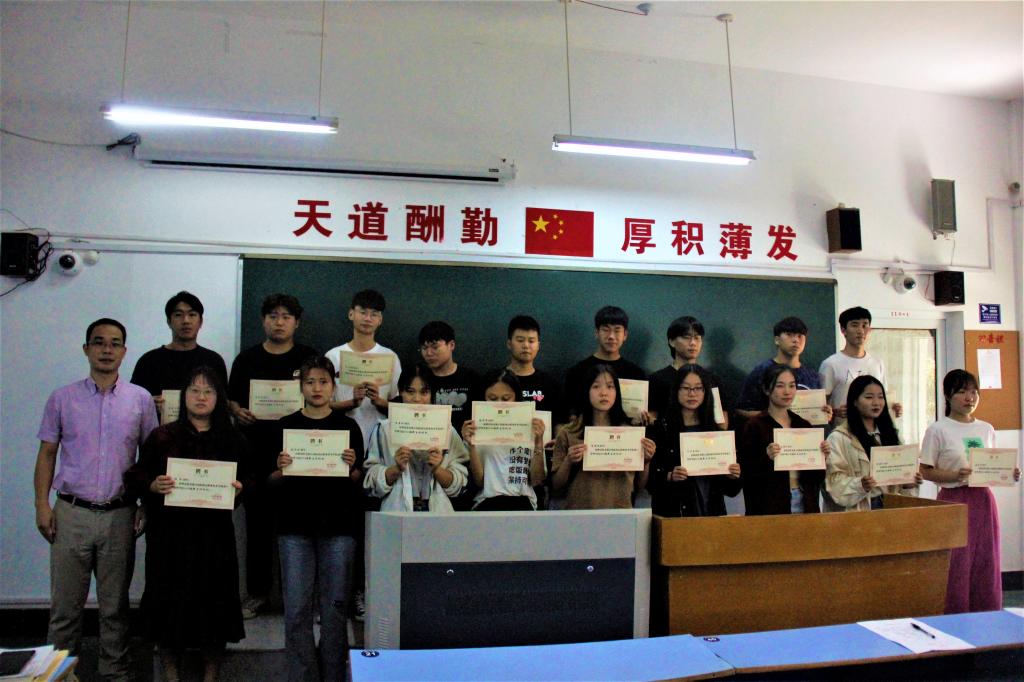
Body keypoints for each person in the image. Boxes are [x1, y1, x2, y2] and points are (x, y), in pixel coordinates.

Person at [33, 318, 158, 681]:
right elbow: (47, 454)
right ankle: (58, 675)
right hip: (71, 513)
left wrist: (145, 505)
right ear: (86, 349)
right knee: (65, 608)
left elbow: (150, 458)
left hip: (120, 514)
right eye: (99, 342)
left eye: (115, 343)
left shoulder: (140, 399)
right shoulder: (62, 398)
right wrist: (42, 505)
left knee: (114, 607)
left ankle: (114, 672)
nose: (107, 349)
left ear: (124, 351)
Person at [124, 366, 248, 682]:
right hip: (170, 537)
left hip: (214, 538)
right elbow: (135, 475)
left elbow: (250, 480)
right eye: (194, 390)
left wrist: (240, 489)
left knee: (215, 604)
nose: (201, 397)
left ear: (219, 398)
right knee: (168, 603)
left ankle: (211, 674)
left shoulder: (232, 438)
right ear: (184, 396)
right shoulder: (162, 436)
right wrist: (153, 485)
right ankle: (171, 674)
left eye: (209, 391)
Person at [272, 356, 364, 681]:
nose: (317, 388)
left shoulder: (349, 427)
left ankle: (334, 676)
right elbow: (269, 481)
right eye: (310, 382)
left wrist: (351, 468)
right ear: (301, 387)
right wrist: (281, 468)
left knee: (335, 610)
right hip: (294, 528)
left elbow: (358, 479)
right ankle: (303, 676)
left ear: (333, 386)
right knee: (296, 610)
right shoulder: (284, 425)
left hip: (338, 527)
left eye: (323, 382)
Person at [227, 293, 318, 619]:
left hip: (302, 455)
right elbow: (231, 400)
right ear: (263, 320)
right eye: (273, 316)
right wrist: (237, 410)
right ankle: (258, 594)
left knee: (305, 527)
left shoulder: (308, 358)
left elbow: (320, 394)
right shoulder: (246, 359)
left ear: (297, 322)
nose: (279, 322)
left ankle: (307, 597)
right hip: (255, 454)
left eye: (286, 317)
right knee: (258, 529)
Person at [920, 369, 1021, 613]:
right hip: (953, 499)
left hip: (983, 499)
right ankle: (955, 614)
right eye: (962, 392)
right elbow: (926, 471)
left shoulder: (986, 428)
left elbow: (991, 465)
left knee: (986, 557)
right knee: (957, 560)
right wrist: (955, 475)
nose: (970, 398)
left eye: (974, 392)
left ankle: (986, 613)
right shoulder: (938, 429)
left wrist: (1009, 473)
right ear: (947, 395)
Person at [364, 365, 469, 512]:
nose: (417, 399)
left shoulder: (446, 430)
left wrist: (438, 469)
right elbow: (370, 483)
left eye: (424, 392)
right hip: (397, 513)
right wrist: (396, 468)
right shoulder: (384, 429)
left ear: (432, 394)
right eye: (410, 391)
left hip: (438, 513)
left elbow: (461, 486)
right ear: (400, 392)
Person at [550, 364, 656, 509]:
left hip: (620, 513)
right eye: (596, 386)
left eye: (610, 387)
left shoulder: (630, 434)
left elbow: (640, 486)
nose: (604, 393)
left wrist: (646, 461)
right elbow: (556, 485)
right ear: (586, 391)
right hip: (579, 513)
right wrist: (568, 461)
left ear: (617, 392)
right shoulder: (569, 432)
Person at [647, 364, 741, 517]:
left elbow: (731, 491)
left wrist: (732, 475)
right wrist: (670, 476)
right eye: (686, 388)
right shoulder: (662, 429)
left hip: (711, 514)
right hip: (675, 514)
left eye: (698, 388)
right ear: (676, 390)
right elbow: (649, 483)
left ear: (705, 392)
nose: (692, 394)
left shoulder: (717, 432)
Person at [737, 364, 830, 515]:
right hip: (769, 506)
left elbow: (816, 478)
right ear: (767, 389)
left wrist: (821, 457)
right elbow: (746, 473)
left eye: (792, 386)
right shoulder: (755, 426)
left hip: (805, 503)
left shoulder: (803, 425)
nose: (787, 392)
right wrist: (766, 457)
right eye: (780, 386)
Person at [826, 375, 921, 511]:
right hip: (861, 510)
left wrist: (909, 483)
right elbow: (834, 481)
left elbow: (899, 479)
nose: (876, 403)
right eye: (869, 397)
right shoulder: (839, 437)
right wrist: (860, 484)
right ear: (855, 401)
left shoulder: (892, 434)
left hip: (891, 507)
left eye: (881, 397)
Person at [131, 291, 228, 420]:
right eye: (178, 315)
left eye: (192, 315)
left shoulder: (214, 361)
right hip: (159, 431)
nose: (186, 321)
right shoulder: (148, 361)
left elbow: (223, 403)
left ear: (200, 322)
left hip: (203, 432)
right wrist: (148, 404)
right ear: (169, 321)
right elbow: (133, 404)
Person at [325, 289, 402, 451]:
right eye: (363, 312)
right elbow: (323, 405)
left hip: (380, 438)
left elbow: (400, 405)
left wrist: (378, 401)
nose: (368, 318)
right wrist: (352, 403)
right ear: (351, 314)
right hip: (340, 436)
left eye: (374, 314)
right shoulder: (333, 356)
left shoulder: (390, 357)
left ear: (380, 320)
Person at [461, 370, 547, 511]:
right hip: (487, 502)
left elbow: (537, 480)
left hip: (523, 502)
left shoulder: (531, 426)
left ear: (516, 398)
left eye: (506, 399)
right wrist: (472, 445)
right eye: (492, 399)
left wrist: (538, 443)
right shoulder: (475, 429)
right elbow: (480, 482)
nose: (499, 404)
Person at [563, 306, 649, 423]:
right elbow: (567, 413)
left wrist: (644, 419)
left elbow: (641, 416)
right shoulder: (577, 372)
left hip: (626, 433)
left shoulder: (636, 374)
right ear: (596, 333)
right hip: (586, 434)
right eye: (605, 329)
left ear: (625, 335)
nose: (611, 336)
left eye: (617, 330)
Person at [819, 307, 902, 421]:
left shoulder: (877, 363)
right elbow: (820, 406)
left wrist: (894, 408)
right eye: (855, 325)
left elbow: (882, 398)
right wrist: (835, 412)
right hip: (843, 429)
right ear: (843, 330)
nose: (861, 330)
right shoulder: (830, 364)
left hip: (873, 429)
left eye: (864, 325)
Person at [648, 316, 728, 428]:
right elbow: (651, 419)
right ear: (671, 341)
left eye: (697, 338)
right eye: (686, 337)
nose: (693, 343)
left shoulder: (712, 379)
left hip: (703, 437)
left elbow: (723, 424)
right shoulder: (657, 380)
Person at [735, 316, 822, 418]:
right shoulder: (762, 371)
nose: (796, 340)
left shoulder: (812, 376)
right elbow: (742, 410)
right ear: (777, 340)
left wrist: (824, 413)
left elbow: (816, 412)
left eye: (800, 336)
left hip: (804, 428)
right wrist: (773, 417)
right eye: (789, 335)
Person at [418, 320, 479, 433]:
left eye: (435, 347)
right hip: (430, 440)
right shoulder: (420, 380)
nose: (429, 353)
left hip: (465, 442)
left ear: (451, 345)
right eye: (424, 348)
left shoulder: (471, 378)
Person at [505, 315, 563, 425]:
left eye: (531, 341)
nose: (526, 345)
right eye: (520, 340)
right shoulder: (495, 380)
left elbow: (558, 423)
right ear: (509, 344)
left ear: (538, 346)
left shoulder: (550, 384)